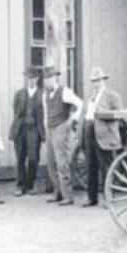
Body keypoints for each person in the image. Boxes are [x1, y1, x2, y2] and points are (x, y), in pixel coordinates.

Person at [81, 67, 123, 207]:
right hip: (89, 131)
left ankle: (108, 198)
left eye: (98, 80)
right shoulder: (90, 97)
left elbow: (119, 114)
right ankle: (91, 197)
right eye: (93, 81)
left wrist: (104, 112)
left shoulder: (112, 96)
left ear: (104, 80)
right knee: (90, 166)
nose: (96, 83)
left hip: (105, 134)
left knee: (106, 167)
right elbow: (86, 114)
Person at [42, 66, 84, 205]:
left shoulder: (65, 91)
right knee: (50, 162)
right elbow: (46, 113)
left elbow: (81, 105)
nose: (48, 81)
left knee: (61, 162)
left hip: (61, 127)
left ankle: (68, 195)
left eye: (51, 78)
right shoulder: (45, 94)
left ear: (56, 78)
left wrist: (72, 120)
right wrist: (45, 127)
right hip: (50, 129)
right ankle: (58, 192)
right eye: (46, 78)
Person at [10, 67, 45, 196]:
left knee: (33, 158)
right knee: (20, 158)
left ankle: (30, 185)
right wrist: (17, 127)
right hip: (21, 129)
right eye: (29, 78)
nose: (31, 80)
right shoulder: (19, 94)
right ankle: (20, 186)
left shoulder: (42, 94)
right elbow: (16, 111)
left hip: (34, 130)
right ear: (26, 79)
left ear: (37, 79)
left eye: (34, 78)